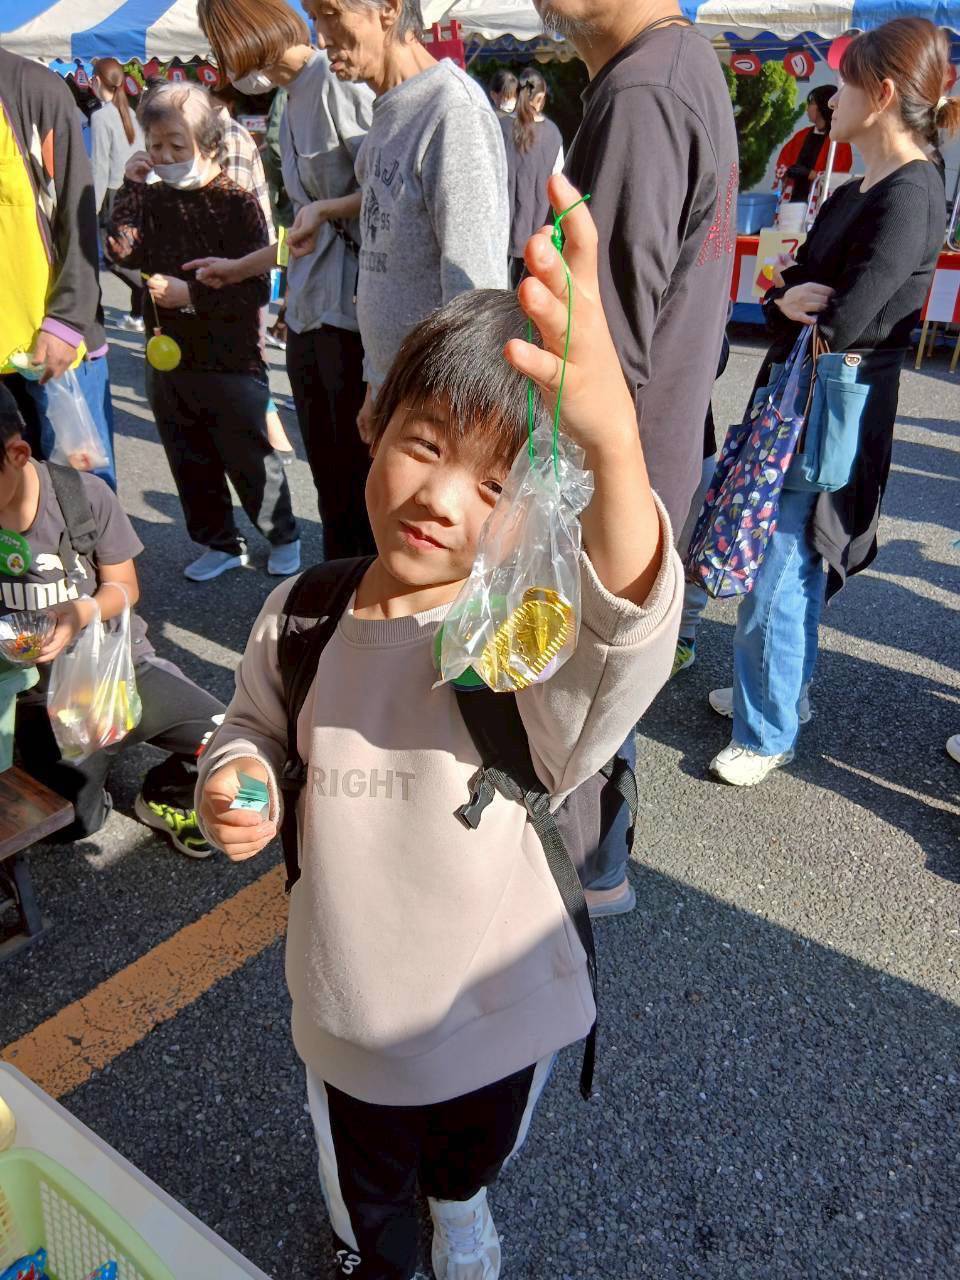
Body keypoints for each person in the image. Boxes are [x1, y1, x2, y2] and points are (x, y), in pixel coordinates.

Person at [197, 176, 681, 1280]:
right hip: (348, 1020)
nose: (446, 499)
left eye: (499, 484)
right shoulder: (304, 610)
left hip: (498, 1014)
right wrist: (238, 773)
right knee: (366, 1199)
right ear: (373, 421)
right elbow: (253, 721)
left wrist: (616, 450)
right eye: (425, 444)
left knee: (470, 1159)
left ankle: (460, 1207)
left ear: (541, 505)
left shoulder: (526, 639)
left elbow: (623, 635)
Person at [707, 17, 958, 787]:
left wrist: (791, 302)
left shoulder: (910, 191)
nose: (829, 99)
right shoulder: (862, 186)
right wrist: (788, 298)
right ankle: (783, 696)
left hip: (834, 407)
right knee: (793, 558)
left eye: (843, 84)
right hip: (809, 396)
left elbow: (843, 315)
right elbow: (796, 285)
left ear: (880, 94)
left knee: (783, 562)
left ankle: (768, 728)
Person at [532, 0, 738, 917]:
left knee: (580, 685)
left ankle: (579, 875)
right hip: (649, 454)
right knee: (605, 678)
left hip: (610, 468)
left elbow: (597, 342)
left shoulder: (646, 92)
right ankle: (598, 857)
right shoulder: (675, 68)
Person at [0, 383, 223, 856]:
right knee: (70, 824)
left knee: (229, 740)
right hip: (39, 694)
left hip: (120, 667)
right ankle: (86, 773)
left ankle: (164, 794)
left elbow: (125, 587)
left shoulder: (80, 496)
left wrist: (82, 611)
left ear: (17, 454)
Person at [191, 0, 377, 558]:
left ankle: (358, 590)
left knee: (358, 480)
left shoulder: (338, 81)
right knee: (328, 479)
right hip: (308, 314)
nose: (223, 63)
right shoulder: (288, 97)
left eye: (222, 44)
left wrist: (328, 209)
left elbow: (393, 192)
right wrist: (237, 269)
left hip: (354, 316)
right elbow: (302, 230)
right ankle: (337, 589)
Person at [107, 82, 300, 583]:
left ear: (209, 144)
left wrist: (190, 295)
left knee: (249, 454)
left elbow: (256, 287)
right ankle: (219, 541)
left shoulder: (235, 202)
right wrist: (130, 187)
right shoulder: (152, 197)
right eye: (155, 145)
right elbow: (120, 251)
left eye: (177, 145)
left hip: (229, 356)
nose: (165, 157)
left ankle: (283, 535)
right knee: (187, 454)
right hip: (167, 351)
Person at [290, 0, 509, 441]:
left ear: (388, 8)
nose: (320, 37)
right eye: (314, 19)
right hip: (395, 390)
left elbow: (474, 288)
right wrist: (375, 382)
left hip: (434, 408)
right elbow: (388, 240)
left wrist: (445, 426)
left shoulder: (452, 110)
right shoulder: (390, 109)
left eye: (331, 14)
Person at [0, 48, 118, 492]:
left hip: (52, 349)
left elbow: (77, 212)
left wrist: (67, 321)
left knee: (80, 498)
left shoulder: (34, 89)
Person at [90, 57, 146, 333]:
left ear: (96, 81)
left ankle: (149, 290)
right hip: (137, 190)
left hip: (114, 193)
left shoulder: (100, 117)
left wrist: (90, 207)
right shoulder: (131, 112)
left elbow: (99, 166)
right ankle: (139, 314)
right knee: (131, 253)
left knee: (115, 259)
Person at [500, 69, 564, 288]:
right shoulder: (553, 133)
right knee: (529, 294)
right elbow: (558, 181)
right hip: (538, 227)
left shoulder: (500, 127)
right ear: (540, 98)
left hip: (502, 227)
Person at [775, 84, 854, 208]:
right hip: (792, 201)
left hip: (819, 204)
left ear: (823, 106)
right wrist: (786, 171)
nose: (807, 108)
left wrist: (810, 174)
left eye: (811, 103)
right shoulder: (801, 135)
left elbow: (837, 179)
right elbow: (783, 162)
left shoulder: (839, 142)